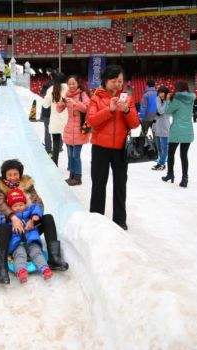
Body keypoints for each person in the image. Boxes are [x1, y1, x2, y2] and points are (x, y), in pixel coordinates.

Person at [0, 159, 69, 284]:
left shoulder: (27, 184)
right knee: (2, 228)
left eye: (15, 174)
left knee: (48, 218)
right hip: (11, 229)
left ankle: (54, 258)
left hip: (29, 227)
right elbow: (0, 205)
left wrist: (33, 220)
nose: (13, 177)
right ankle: (1, 267)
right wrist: (13, 218)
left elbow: (38, 203)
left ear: (20, 174)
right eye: (10, 175)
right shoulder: (1, 187)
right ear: (4, 175)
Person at [87, 64, 140, 230]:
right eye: (114, 81)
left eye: (120, 81)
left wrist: (126, 111)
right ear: (105, 80)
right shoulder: (96, 98)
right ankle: (96, 219)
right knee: (98, 184)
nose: (118, 84)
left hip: (120, 149)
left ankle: (120, 220)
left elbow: (135, 124)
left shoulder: (128, 99)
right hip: (100, 148)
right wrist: (109, 110)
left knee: (120, 185)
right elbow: (91, 121)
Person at [0, 188, 53, 283]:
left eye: (21, 205)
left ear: (25, 204)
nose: (19, 207)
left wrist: (35, 216)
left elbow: (37, 207)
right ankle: (21, 271)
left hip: (31, 240)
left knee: (36, 252)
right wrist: (6, 218)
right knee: (20, 255)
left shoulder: (29, 211)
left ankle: (44, 268)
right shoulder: (9, 217)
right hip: (17, 244)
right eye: (15, 206)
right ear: (10, 207)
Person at [161, 80, 195, 188]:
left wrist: (167, 100)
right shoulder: (191, 98)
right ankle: (185, 178)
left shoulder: (176, 99)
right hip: (188, 129)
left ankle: (170, 174)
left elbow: (167, 111)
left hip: (176, 129)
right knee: (184, 155)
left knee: (171, 153)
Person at [61, 75, 90, 186]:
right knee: (69, 155)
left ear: (78, 83)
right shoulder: (66, 95)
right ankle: (71, 176)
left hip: (79, 129)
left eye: (73, 83)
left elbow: (86, 108)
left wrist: (75, 103)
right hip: (69, 129)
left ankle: (78, 178)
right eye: (69, 84)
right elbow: (59, 109)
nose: (71, 85)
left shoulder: (82, 94)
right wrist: (60, 103)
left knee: (76, 155)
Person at [41, 71, 68, 166]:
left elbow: (45, 105)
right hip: (68, 119)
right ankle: (71, 166)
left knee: (55, 142)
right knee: (70, 144)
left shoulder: (51, 89)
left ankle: (55, 162)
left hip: (55, 120)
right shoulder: (69, 88)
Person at [151, 85, 170, 171]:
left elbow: (161, 111)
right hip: (157, 127)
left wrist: (160, 100)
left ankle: (161, 163)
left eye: (163, 92)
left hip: (165, 127)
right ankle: (160, 161)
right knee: (159, 147)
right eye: (159, 92)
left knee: (164, 147)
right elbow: (156, 112)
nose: (161, 94)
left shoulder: (168, 102)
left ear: (166, 93)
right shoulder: (159, 101)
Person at [40, 72, 54, 154]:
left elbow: (42, 94)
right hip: (57, 111)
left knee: (47, 129)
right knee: (58, 129)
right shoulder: (61, 86)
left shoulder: (47, 84)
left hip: (48, 110)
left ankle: (48, 147)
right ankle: (59, 146)